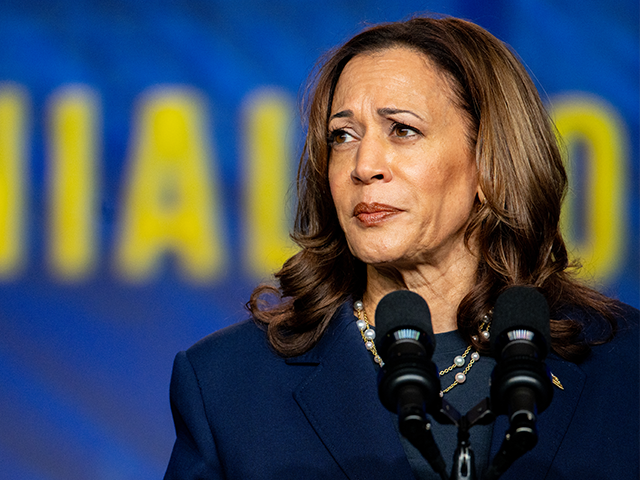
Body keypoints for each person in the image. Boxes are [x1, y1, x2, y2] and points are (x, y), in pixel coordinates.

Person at [164, 15, 639, 480]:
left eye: (403, 130)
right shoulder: (228, 386)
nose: (364, 164)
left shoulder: (625, 366)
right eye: (342, 136)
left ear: (491, 161)